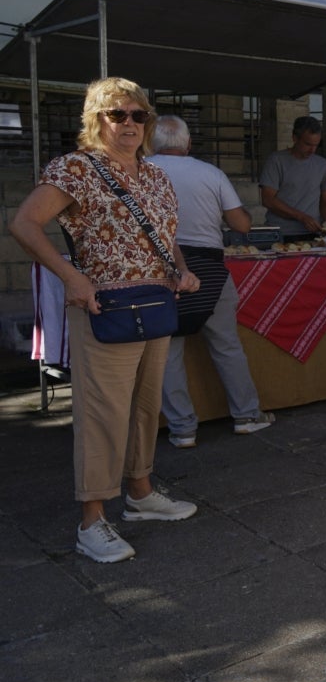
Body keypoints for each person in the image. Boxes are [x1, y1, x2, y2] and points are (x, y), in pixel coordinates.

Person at [8, 77, 201, 563]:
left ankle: (139, 493)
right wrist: (71, 277)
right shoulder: (75, 168)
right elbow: (24, 223)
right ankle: (92, 520)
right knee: (101, 415)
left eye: (138, 115)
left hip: (155, 304)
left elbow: (164, 233)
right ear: (96, 120)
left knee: (144, 405)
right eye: (118, 115)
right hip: (104, 309)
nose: (130, 124)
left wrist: (180, 268)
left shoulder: (155, 175)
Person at [146, 115, 273, 447]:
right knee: (226, 345)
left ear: (151, 143)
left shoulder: (139, 171)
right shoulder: (211, 173)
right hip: (209, 270)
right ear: (188, 144)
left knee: (168, 352)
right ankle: (247, 415)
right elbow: (241, 225)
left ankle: (182, 428)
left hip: (158, 272)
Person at [259, 116, 326, 241]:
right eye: (307, 144)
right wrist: (302, 217)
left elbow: (325, 199)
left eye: (316, 145)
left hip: (314, 234)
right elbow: (267, 199)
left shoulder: (323, 165)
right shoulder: (276, 161)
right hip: (281, 233)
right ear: (295, 138)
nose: (312, 150)